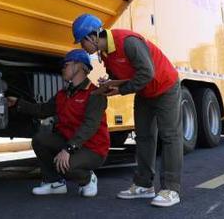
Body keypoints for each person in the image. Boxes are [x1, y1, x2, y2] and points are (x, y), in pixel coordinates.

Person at [72, 13, 182, 208]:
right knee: (143, 137)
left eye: (82, 42)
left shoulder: (128, 42)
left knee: (169, 136)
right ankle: (144, 185)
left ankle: (171, 189)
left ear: (92, 37)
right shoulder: (105, 54)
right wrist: (109, 82)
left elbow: (147, 73)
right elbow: (122, 74)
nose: (82, 47)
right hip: (145, 92)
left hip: (165, 87)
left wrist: (121, 89)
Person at [7, 49, 109, 197]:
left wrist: (68, 149)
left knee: (66, 166)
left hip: (93, 149)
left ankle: (88, 179)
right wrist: (18, 103)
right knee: (40, 140)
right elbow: (42, 110)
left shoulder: (95, 94)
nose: (62, 68)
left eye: (66, 65)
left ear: (79, 66)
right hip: (69, 141)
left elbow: (90, 126)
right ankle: (54, 183)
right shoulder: (63, 94)